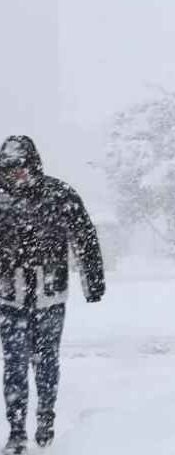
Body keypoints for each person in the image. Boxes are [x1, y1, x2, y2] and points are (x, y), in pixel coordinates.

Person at [0, 136, 104, 454]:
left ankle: (45, 416)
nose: (16, 175)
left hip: (50, 294)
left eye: (21, 167)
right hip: (9, 296)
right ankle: (17, 430)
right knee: (15, 363)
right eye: (9, 169)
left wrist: (93, 280)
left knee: (45, 360)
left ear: (34, 165)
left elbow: (85, 237)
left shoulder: (59, 194)